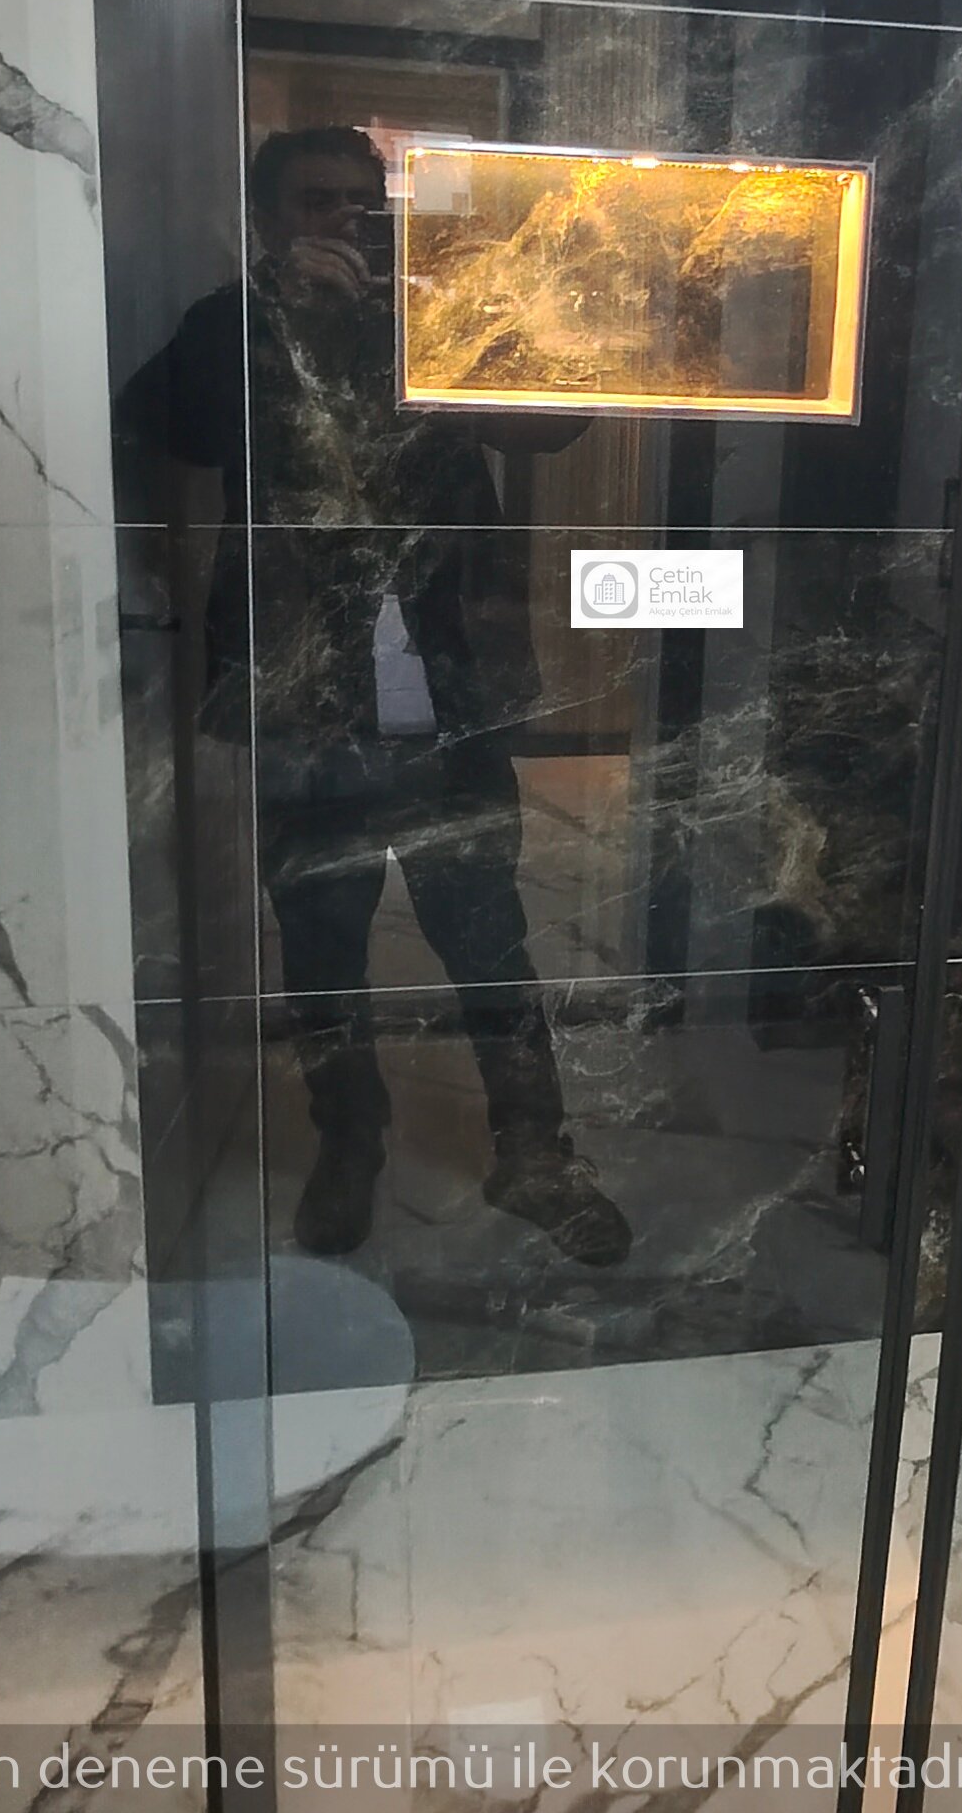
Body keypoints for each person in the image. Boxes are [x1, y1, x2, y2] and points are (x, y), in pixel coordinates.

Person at [125, 125, 633, 1268]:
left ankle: (536, 1152)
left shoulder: (436, 321)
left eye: (364, 201)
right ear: (267, 220)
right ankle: (349, 1143)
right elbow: (168, 429)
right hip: (307, 689)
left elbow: (560, 421)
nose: (345, 219)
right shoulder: (233, 325)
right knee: (322, 939)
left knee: (486, 930)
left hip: (446, 682)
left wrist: (450, 309)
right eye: (317, 201)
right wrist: (283, 321)